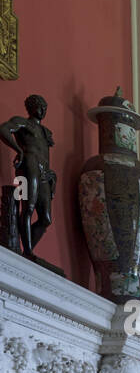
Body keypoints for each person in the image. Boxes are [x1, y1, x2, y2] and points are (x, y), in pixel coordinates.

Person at [0, 93, 56, 264]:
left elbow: (46, 153)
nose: (43, 110)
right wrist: (19, 150)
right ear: (31, 107)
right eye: (40, 106)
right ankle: (28, 251)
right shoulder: (23, 123)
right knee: (28, 207)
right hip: (29, 165)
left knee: (46, 219)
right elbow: (3, 129)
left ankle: (24, 245)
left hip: (44, 171)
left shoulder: (45, 132)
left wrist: (52, 174)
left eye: (45, 107)